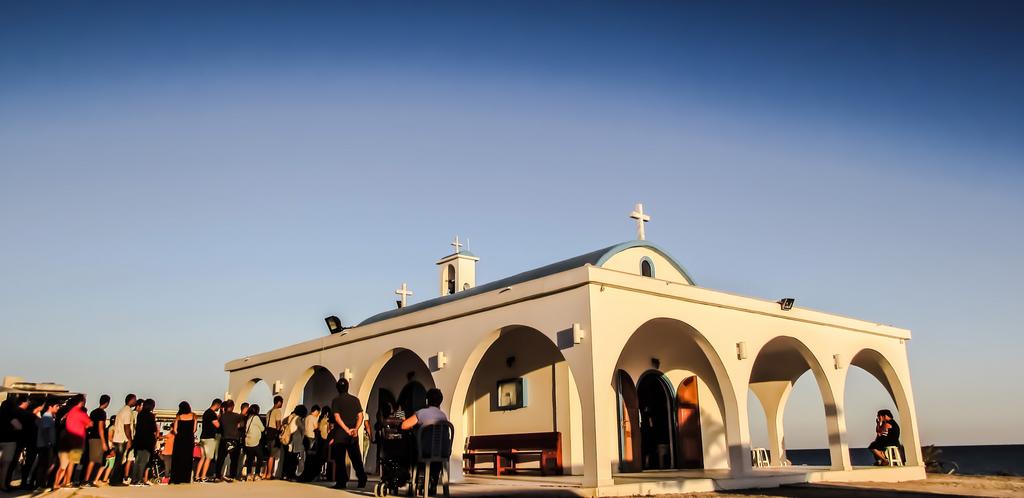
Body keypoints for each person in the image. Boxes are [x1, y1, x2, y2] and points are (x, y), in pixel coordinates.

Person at [402, 388, 448, 496]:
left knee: (413, 449)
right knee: (434, 457)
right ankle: (432, 483)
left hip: (425, 452)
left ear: (427, 400)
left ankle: (417, 482)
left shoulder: (421, 413)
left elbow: (404, 425)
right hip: (442, 452)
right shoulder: (443, 416)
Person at [330, 378, 367, 489]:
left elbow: (337, 418)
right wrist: (355, 429)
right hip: (353, 435)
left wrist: (346, 430)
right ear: (347, 387)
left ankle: (341, 482)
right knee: (356, 458)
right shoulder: (355, 400)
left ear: (337, 388)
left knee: (340, 459)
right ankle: (362, 479)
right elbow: (361, 416)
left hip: (340, 434)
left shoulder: (336, 400)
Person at [54, 395, 92, 490]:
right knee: (71, 463)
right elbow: (90, 424)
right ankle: (66, 482)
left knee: (63, 465)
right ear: (81, 402)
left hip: (66, 440)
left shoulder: (69, 412)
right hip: (77, 441)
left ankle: (58, 482)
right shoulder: (80, 413)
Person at [109, 394, 137, 486]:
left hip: (117, 438)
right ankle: (116, 480)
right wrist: (129, 439)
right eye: (134, 400)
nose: (135, 402)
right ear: (131, 400)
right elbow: (126, 426)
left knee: (118, 460)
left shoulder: (121, 410)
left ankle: (114, 479)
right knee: (120, 461)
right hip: (122, 439)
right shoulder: (127, 411)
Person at [83, 394, 110, 486]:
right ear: (107, 403)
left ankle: (88, 479)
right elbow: (101, 428)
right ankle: (87, 480)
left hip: (91, 437)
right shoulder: (102, 413)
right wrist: (104, 442)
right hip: (97, 438)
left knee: (93, 459)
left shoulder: (93, 412)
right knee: (94, 460)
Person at [131, 399, 157, 486]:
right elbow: (153, 429)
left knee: (137, 460)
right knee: (144, 461)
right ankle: (139, 479)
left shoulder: (140, 414)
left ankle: (134, 479)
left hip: (138, 440)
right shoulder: (150, 416)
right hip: (147, 441)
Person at [33, 401, 59, 490]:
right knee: (43, 465)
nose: (58, 408)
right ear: (50, 406)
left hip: (45, 444)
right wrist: (48, 442)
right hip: (45, 445)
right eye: (56, 406)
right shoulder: (47, 417)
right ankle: (39, 484)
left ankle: (41, 483)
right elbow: (45, 430)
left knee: (44, 465)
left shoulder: (49, 417)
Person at [169, 402, 196, 484]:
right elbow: (194, 429)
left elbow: (175, 430)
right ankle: (185, 478)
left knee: (178, 458)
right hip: (189, 439)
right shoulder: (194, 416)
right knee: (187, 458)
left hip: (179, 439)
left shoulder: (178, 416)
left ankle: (176, 478)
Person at [216, 400, 243, 481]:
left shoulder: (222, 417)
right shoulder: (236, 416)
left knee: (220, 459)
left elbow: (219, 428)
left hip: (224, 439)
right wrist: (238, 426)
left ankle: (217, 475)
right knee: (234, 459)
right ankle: (232, 476)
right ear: (232, 406)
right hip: (234, 439)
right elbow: (243, 421)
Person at [196, 398, 222, 482]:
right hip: (209, 438)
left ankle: (197, 476)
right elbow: (217, 425)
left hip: (203, 437)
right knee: (208, 458)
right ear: (217, 405)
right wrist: (219, 419)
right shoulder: (212, 413)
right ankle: (203, 477)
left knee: (202, 458)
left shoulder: (206, 412)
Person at [281, 405, 306, 480]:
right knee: (294, 460)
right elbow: (302, 429)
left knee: (288, 459)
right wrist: (302, 437)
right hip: (295, 441)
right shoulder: (298, 418)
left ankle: (285, 475)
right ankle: (291, 476)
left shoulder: (291, 417)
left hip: (290, 440)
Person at [243, 404, 265, 481]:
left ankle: (248, 475)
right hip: (255, 441)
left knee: (250, 458)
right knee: (260, 457)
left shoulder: (247, 417)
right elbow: (262, 428)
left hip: (247, 441)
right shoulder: (256, 418)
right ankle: (257, 474)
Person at [264, 396, 284, 479]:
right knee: (272, 455)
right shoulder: (277, 411)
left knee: (268, 455)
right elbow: (278, 424)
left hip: (268, 433)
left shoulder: (269, 412)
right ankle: (269, 474)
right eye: (281, 402)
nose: (282, 404)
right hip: (274, 434)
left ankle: (265, 473)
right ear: (278, 402)